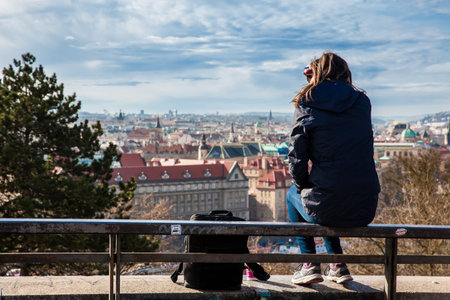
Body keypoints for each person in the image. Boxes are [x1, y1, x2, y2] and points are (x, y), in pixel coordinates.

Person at [287, 52, 380, 285]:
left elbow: (297, 155)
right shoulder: (362, 102)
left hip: (327, 201)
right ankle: (337, 265)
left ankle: (309, 263)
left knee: (294, 194)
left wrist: (301, 185)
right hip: (365, 205)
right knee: (329, 194)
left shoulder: (308, 100)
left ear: (314, 74)